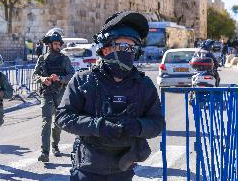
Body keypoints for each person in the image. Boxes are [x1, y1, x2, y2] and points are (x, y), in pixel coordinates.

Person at [56, 11, 165, 181]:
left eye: (132, 47)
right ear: (105, 49)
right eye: (122, 46)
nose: (128, 52)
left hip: (123, 169)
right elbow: (63, 117)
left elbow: (157, 123)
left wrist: (138, 126)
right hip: (88, 168)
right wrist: (98, 126)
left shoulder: (144, 85)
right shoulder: (84, 80)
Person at [33, 28, 75, 162]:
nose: (58, 46)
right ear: (49, 45)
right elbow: (34, 75)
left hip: (60, 94)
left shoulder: (64, 59)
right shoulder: (42, 58)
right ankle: (44, 152)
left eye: (59, 44)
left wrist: (60, 78)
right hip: (46, 94)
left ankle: (55, 145)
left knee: (58, 122)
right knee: (46, 122)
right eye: (55, 44)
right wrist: (42, 79)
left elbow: (72, 76)